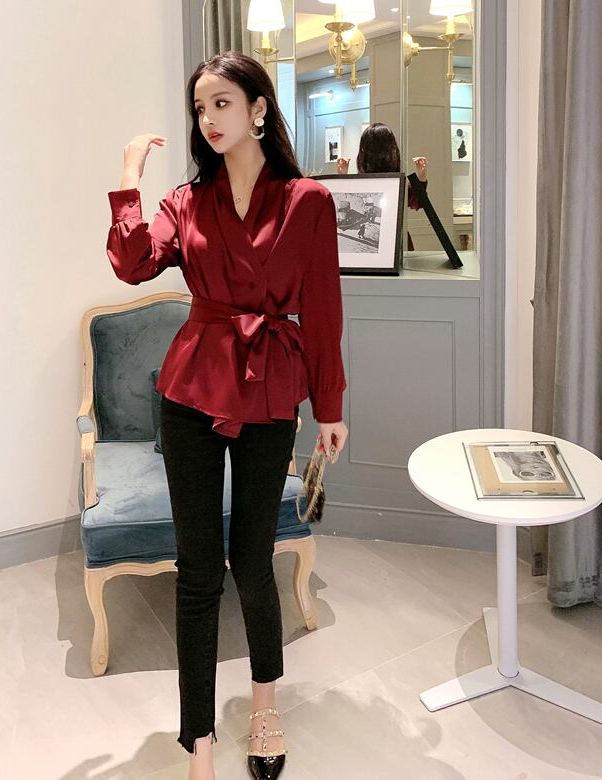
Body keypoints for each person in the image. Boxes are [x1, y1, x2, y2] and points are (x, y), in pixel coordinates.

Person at [107, 51, 348, 780]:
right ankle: (200, 742)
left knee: (253, 558)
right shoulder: (186, 201)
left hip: (270, 387)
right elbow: (133, 264)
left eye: (221, 103)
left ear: (258, 108)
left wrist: (330, 407)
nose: (209, 119)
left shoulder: (307, 200)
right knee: (198, 570)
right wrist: (129, 181)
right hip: (191, 390)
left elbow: (324, 311)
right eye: (200, 108)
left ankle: (265, 708)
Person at [336, 122, 428, 250]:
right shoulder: (364, 184)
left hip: (396, 244)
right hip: (385, 245)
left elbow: (417, 202)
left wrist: (421, 178)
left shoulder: (395, 183)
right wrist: (343, 178)